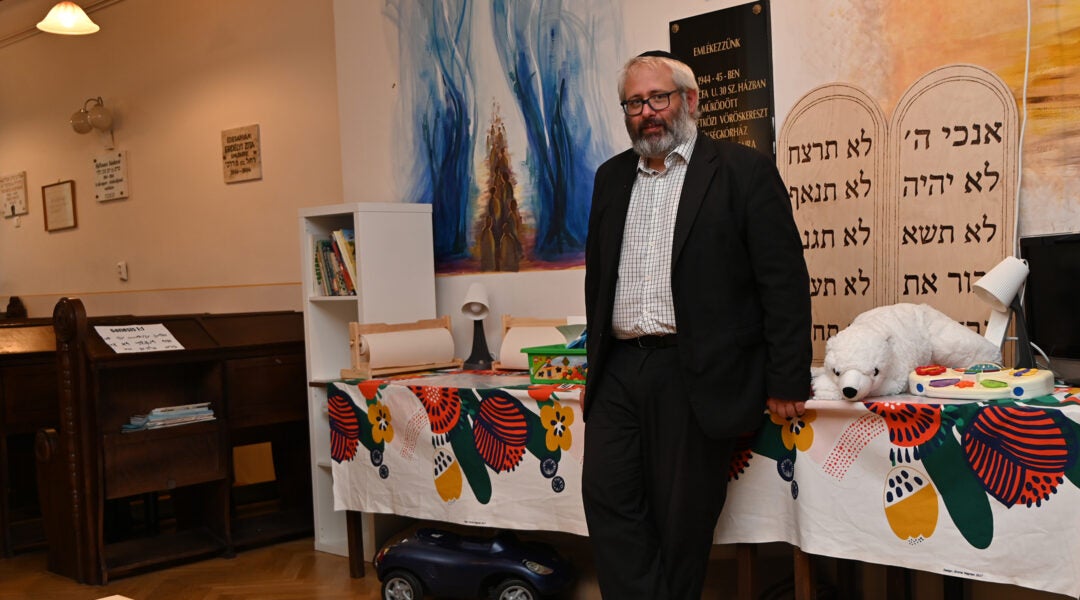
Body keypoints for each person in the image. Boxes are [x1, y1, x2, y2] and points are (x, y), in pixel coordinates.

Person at [581, 50, 813, 599]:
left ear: (690, 100)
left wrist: (787, 378)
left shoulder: (742, 171)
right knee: (608, 502)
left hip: (697, 374)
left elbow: (782, 281)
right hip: (618, 372)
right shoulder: (610, 178)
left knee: (681, 522)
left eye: (657, 97)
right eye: (634, 103)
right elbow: (598, 279)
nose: (647, 113)